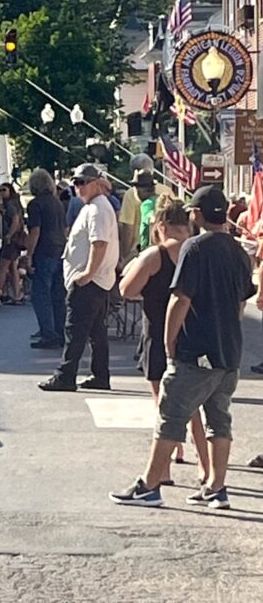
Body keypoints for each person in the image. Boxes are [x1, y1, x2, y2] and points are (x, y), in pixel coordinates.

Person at [111, 185, 255, 509]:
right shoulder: (238, 252)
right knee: (219, 419)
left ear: (197, 215)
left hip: (197, 348)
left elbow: (181, 298)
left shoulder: (195, 248)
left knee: (171, 414)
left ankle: (149, 485)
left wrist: (169, 341)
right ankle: (216, 486)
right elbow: (241, 303)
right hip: (228, 349)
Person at [119, 196, 209, 485]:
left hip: (158, 334)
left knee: (163, 403)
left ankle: (167, 466)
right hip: (193, 334)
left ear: (161, 225)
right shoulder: (197, 252)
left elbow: (127, 290)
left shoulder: (154, 255)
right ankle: (205, 467)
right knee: (192, 405)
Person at [39, 163, 119, 392]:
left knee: (74, 329)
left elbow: (99, 243)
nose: (77, 187)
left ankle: (66, 375)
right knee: (96, 331)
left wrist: (87, 274)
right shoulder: (95, 206)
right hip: (95, 280)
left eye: (82, 182)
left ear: (96, 183)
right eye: (75, 182)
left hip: (90, 281)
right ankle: (100, 375)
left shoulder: (97, 209)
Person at [24, 169, 68, 350]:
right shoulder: (57, 203)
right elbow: (64, 229)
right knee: (58, 295)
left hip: (44, 251)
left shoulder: (35, 204)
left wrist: (28, 255)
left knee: (40, 294)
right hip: (60, 249)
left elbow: (35, 231)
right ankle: (59, 332)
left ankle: (48, 333)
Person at [0, 183, 26, 303]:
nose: (2, 192)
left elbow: (15, 220)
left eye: (4, 190)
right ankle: (16, 294)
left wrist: (9, 234)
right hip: (16, 238)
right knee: (13, 267)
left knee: (2, 267)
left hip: (12, 239)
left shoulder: (10, 204)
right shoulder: (15, 203)